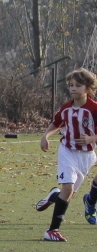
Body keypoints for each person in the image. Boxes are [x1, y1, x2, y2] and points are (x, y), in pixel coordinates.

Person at [35, 68, 97, 241]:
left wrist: (92, 137)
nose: (73, 88)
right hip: (67, 151)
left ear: (88, 87)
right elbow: (56, 123)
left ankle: (53, 195)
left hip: (86, 156)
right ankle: (52, 231)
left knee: (67, 194)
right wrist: (45, 136)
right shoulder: (66, 108)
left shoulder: (94, 109)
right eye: (71, 85)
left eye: (78, 85)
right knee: (68, 189)